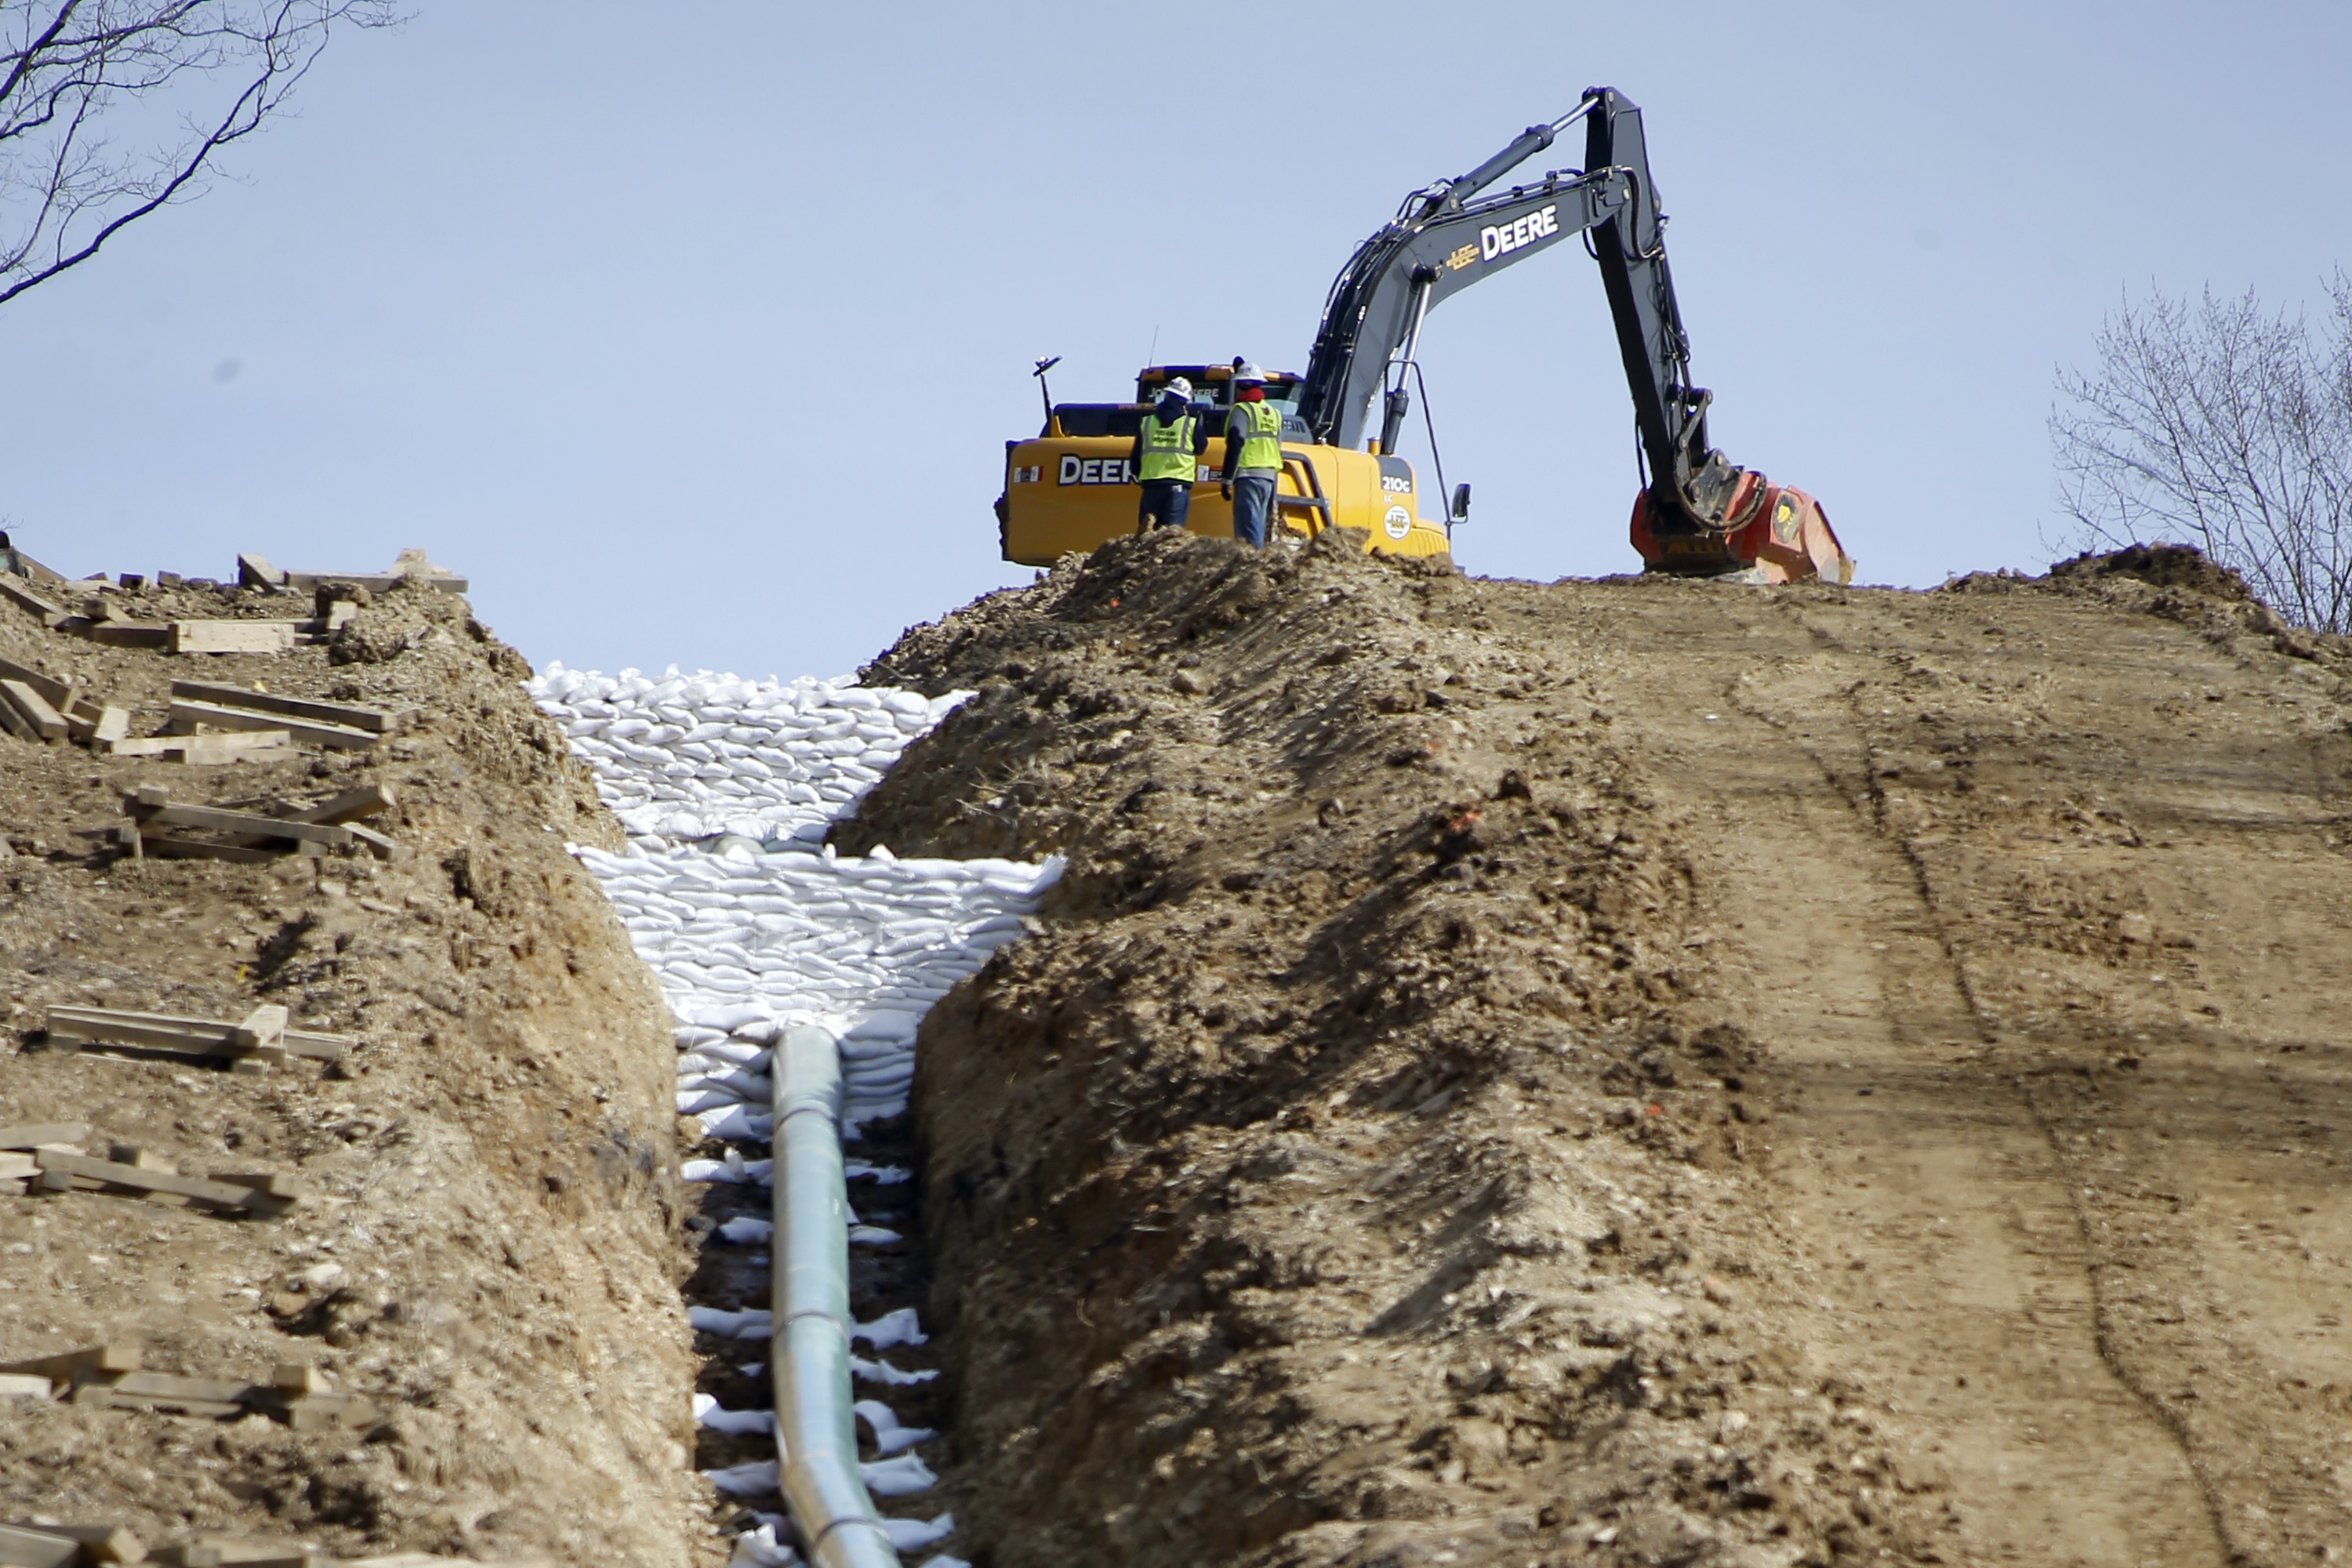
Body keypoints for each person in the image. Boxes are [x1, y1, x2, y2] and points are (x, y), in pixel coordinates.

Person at [1127, 376, 1205, 533]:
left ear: (1166, 396)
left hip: (1151, 486)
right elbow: (1201, 448)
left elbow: (1135, 457)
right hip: (1178, 485)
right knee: (1171, 537)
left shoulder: (1147, 422)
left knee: (1147, 536)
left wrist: (1136, 473)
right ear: (1185, 402)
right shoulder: (1191, 423)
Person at [1219, 361, 1283, 546]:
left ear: (1239, 386)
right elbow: (1278, 445)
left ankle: (1252, 567)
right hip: (1268, 477)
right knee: (1259, 527)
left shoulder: (1242, 410)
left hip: (1248, 474)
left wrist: (1226, 479)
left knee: (1247, 532)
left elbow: (1235, 443)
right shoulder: (1273, 413)